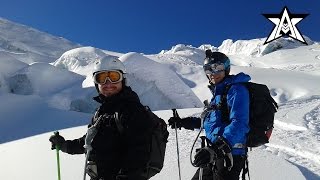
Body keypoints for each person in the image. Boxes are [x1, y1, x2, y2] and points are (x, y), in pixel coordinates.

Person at [49, 56, 154, 180]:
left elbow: (139, 157)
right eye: (102, 78)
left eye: (114, 77)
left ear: (123, 80)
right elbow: (89, 142)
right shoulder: (102, 113)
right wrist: (64, 145)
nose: (108, 83)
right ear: (96, 83)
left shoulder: (132, 110)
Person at [168, 50, 250, 180]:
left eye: (217, 68)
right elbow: (207, 122)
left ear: (226, 68)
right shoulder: (217, 96)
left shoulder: (236, 90)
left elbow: (239, 123)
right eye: (208, 69)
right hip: (212, 153)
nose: (212, 73)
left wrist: (218, 148)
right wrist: (183, 122)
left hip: (229, 156)